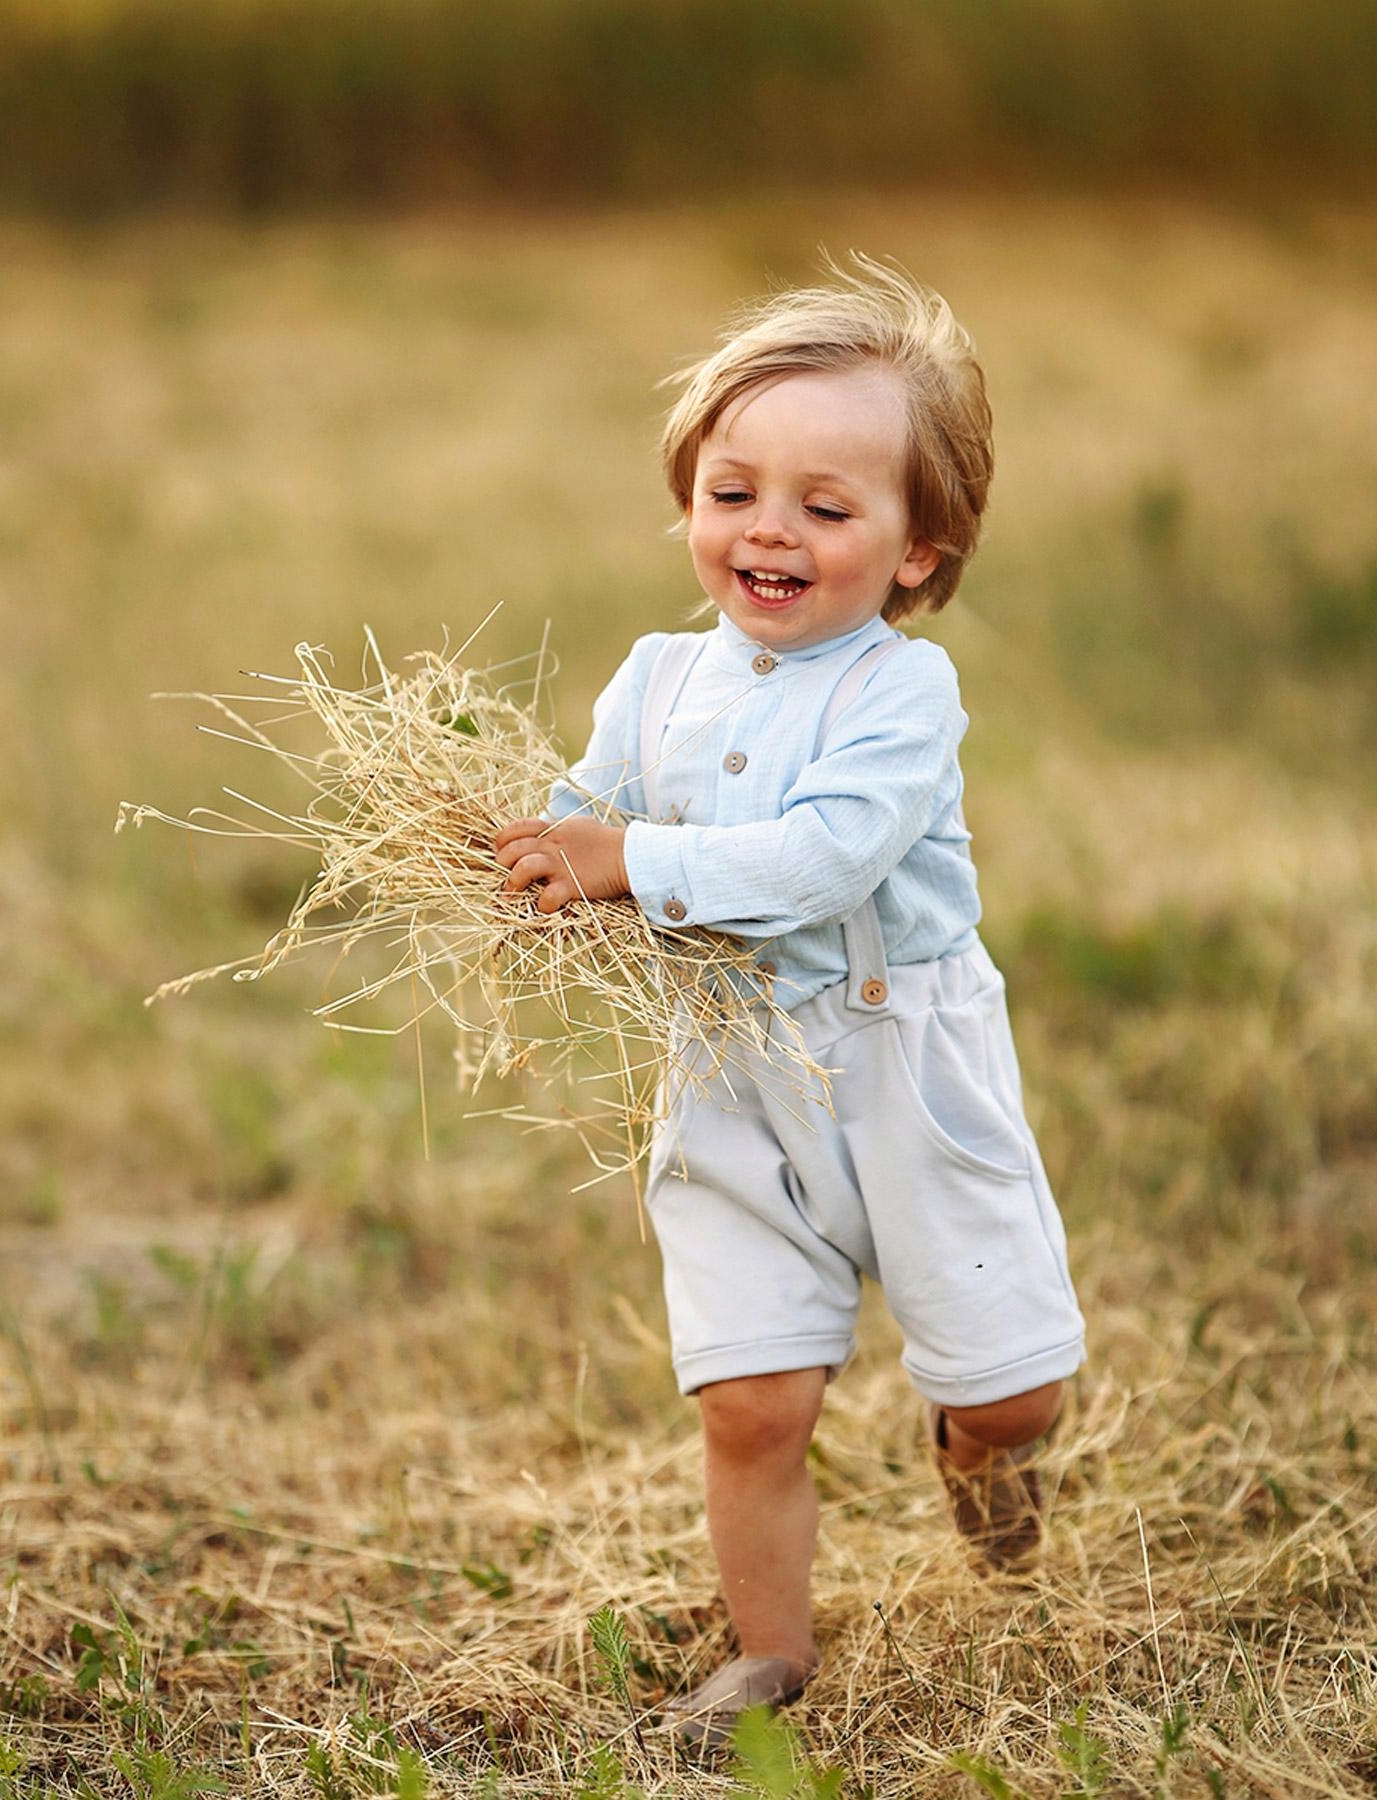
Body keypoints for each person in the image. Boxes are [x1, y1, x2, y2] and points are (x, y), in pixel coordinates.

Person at [492, 255, 1087, 1758]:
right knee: (751, 1399)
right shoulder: (655, 678)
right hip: (728, 1077)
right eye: (732, 491)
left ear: (914, 550)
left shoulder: (904, 695)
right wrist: (522, 851)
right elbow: (590, 812)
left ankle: (983, 1449)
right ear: (689, 501)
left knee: (1014, 1393)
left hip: (905, 1067)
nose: (769, 531)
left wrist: (631, 861)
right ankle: (770, 1655)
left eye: (827, 509)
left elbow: (824, 862)